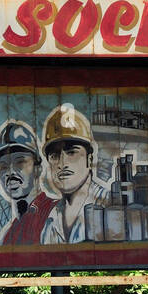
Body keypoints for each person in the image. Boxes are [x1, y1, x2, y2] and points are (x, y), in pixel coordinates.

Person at [38, 104, 109, 244]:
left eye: (71, 152)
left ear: (90, 159)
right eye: (54, 155)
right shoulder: (51, 220)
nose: (62, 162)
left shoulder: (111, 205)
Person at [0, 120, 56, 245]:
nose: (10, 172)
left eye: (20, 162)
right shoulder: (8, 232)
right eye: (4, 166)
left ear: (38, 169)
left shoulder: (55, 212)